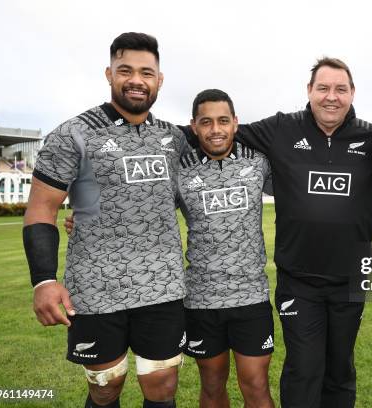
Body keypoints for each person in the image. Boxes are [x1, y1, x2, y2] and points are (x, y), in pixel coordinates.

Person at [23, 33, 186, 408]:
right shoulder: (72, 134)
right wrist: (44, 281)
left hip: (163, 286)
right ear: (109, 73)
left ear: (159, 80)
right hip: (96, 290)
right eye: (125, 70)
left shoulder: (173, 139)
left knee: (162, 389)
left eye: (147, 72)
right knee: (106, 386)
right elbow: (41, 209)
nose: (136, 80)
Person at [231, 58, 372, 408]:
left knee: (340, 368)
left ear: (352, 93)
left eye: (340, 89)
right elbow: (218, 132)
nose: (332, 97)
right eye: (323, 88)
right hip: (299, 280)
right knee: (304, 367)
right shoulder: (282, 128)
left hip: (351, 279)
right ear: (309, 91)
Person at [177, 89, 275, 408]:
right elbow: (143, 207)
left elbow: (300, 191)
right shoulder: (181, 172)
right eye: (206, 122)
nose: (215, 129)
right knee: (211, 386)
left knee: (257, 385)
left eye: (222, 121)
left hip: (251, 295)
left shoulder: (259, 163)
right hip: (202, 298)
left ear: (235, 123)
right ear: (194, 126)